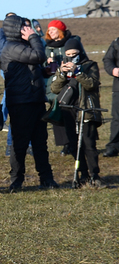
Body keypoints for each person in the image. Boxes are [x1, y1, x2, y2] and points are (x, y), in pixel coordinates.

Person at [0, 14, 56, 191]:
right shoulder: (12, 47)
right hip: (21, 103)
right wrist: (33, 37)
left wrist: (44, 72)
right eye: (24, 27)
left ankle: (46, 178)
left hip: (35, 100)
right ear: (15, 29)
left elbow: (31, 66)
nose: (28, 29)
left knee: (40, 142)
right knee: (20, 144)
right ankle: (16, 180)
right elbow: (38, 55)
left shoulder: (20, 47)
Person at [50, 36, 104, 187]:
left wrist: (78, 72)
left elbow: (92, 84)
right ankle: (83, 173)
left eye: (74, 53)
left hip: (85, 110)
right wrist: (61, 74)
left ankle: (95, 175)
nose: (71, 57)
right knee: (74, 145)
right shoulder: (63, 67)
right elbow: (54, 89)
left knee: (89, 144)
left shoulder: (90, 65)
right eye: (68, 54)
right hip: (68, 111)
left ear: (80, 52)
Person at [43, 19, 75, 154]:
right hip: (53, 82)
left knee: (70, 110)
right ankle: (64, 143)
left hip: (69, 80)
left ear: (60, 31)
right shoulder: (47, 47)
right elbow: (43, 67)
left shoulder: (71, 42)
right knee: (57, 109)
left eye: (53, 29)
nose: (50, 32)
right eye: (49, 30)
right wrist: (46, 63)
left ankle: (75, 140)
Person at [103, 33, 119, 157]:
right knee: (117, 118)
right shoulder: (116, 43)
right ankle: (113, 146)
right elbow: (107, 59)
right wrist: (113, 69)